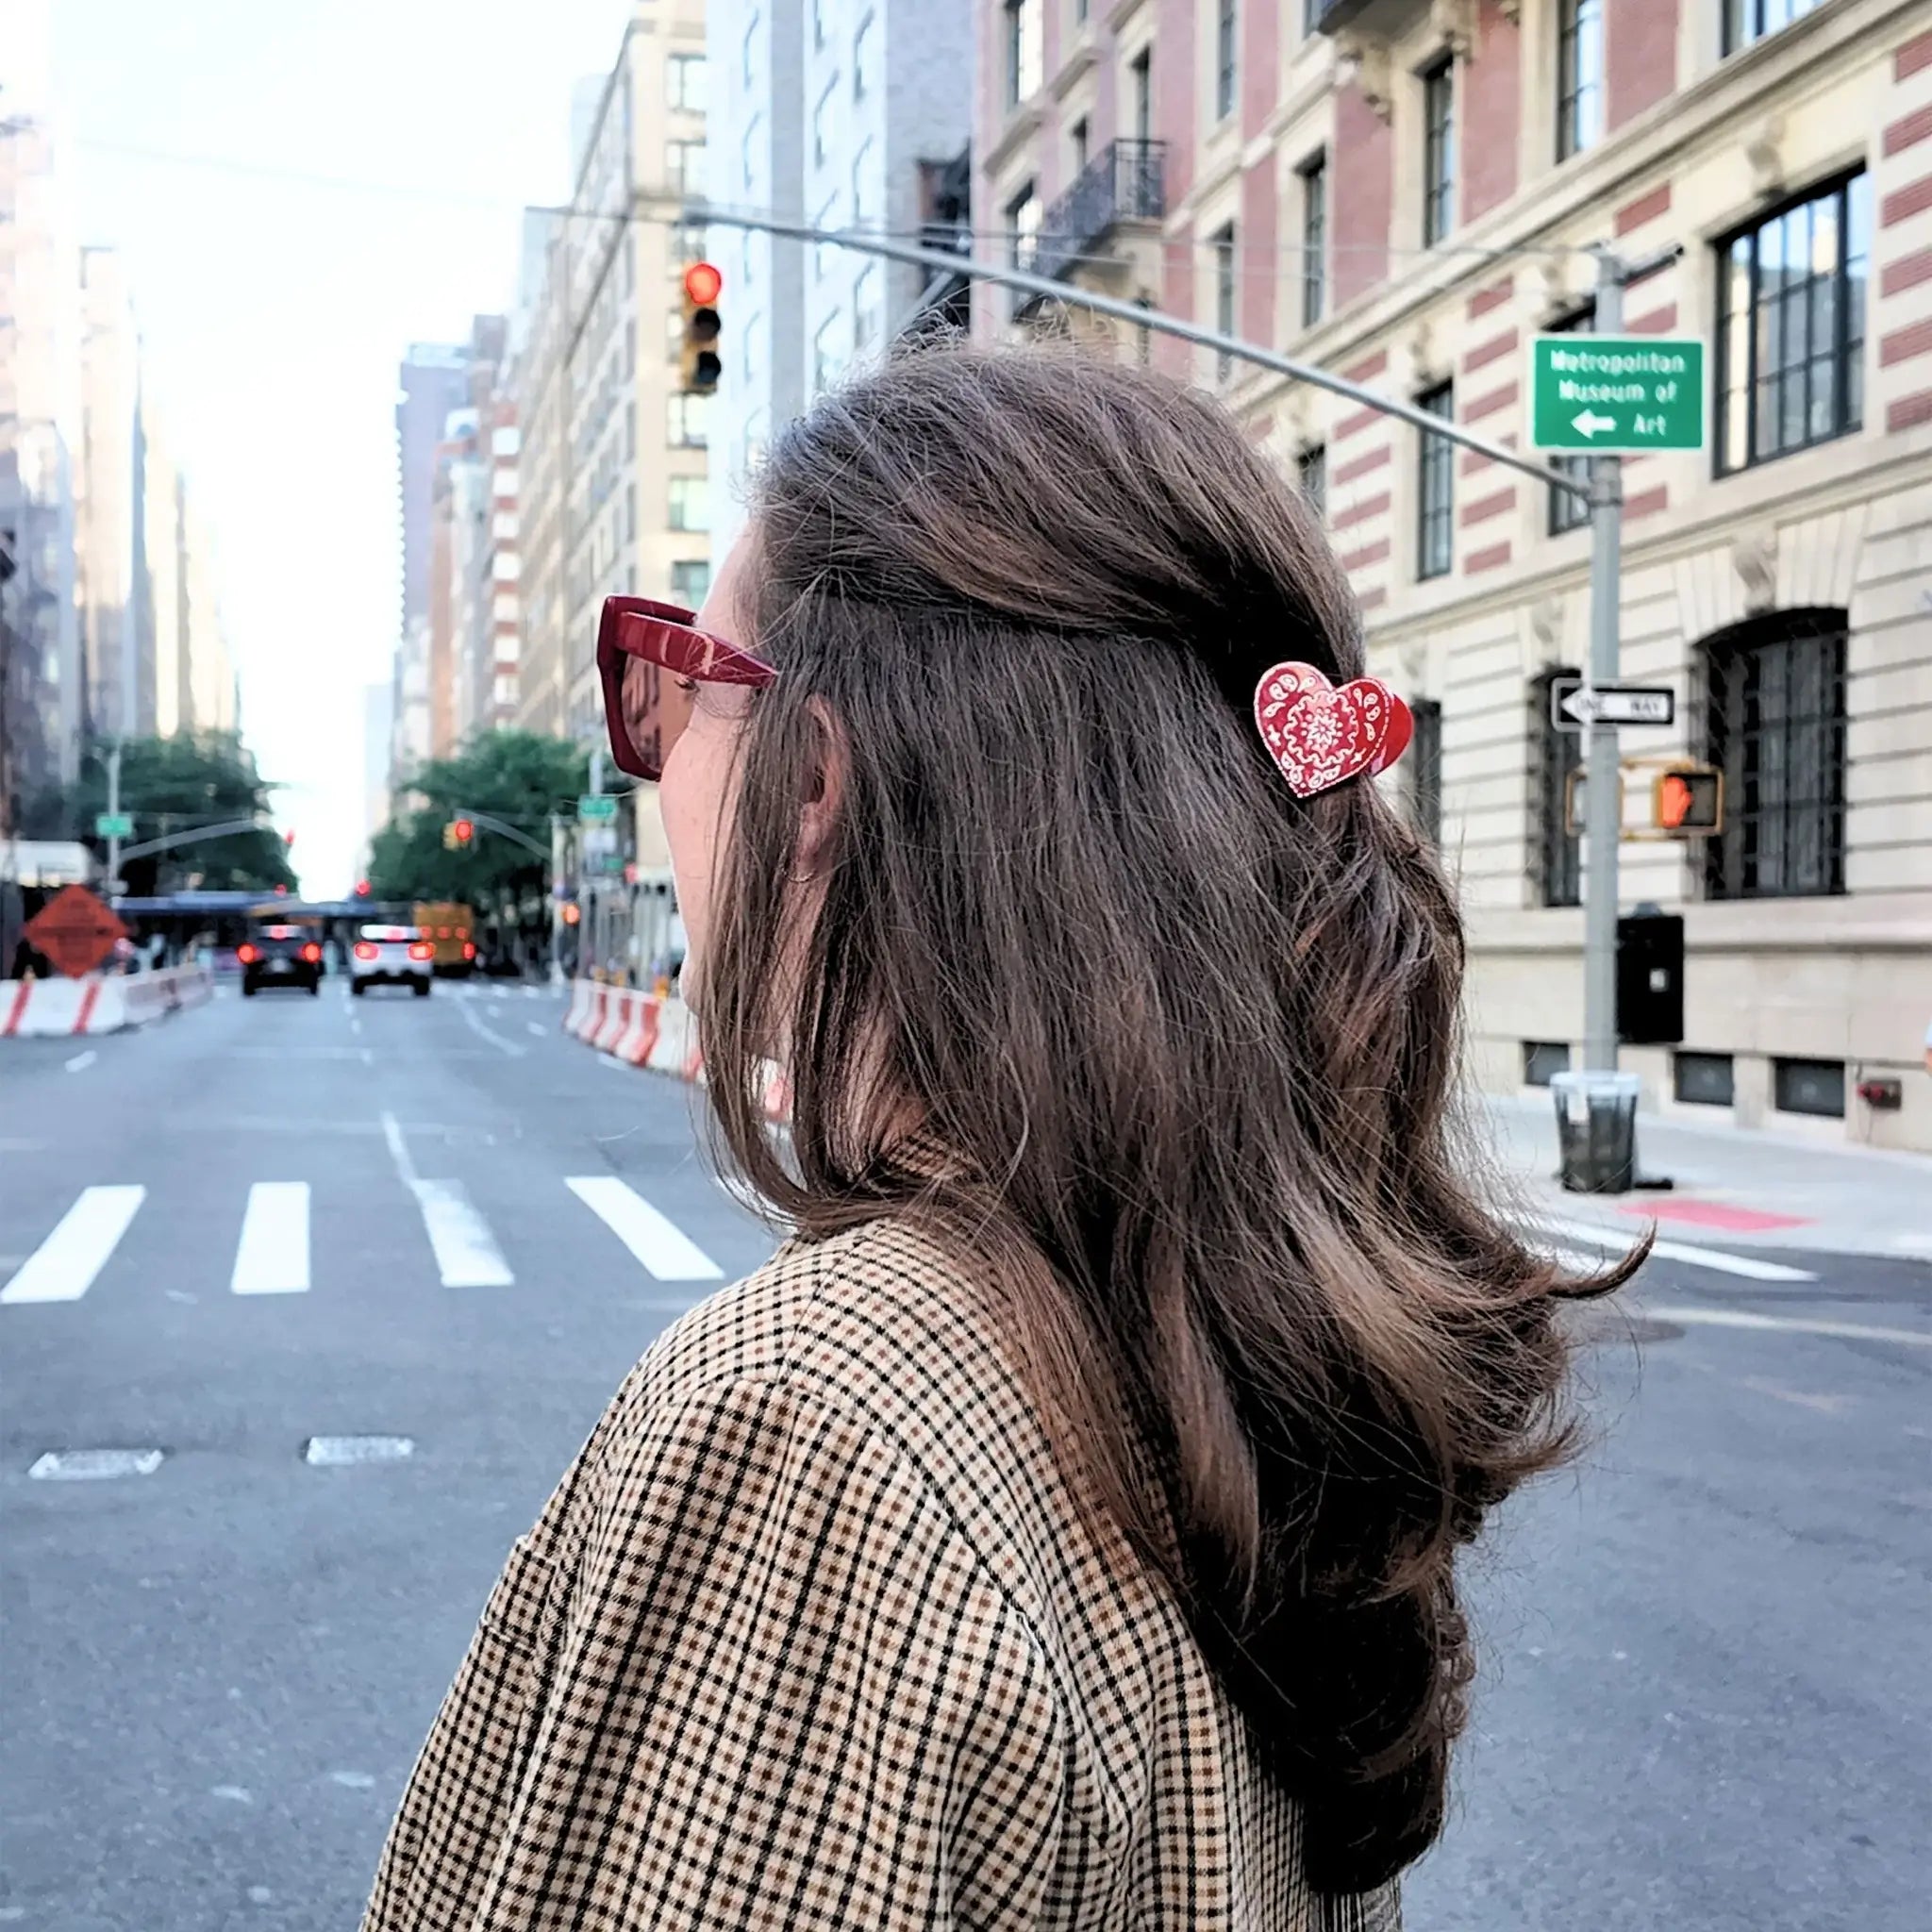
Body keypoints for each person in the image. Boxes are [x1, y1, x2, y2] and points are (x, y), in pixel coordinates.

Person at [363, 347, 1629, 1931]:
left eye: (673, 679)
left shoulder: (813, 1421)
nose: (655, 749)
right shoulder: (1224, 1305)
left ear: (814, 775)